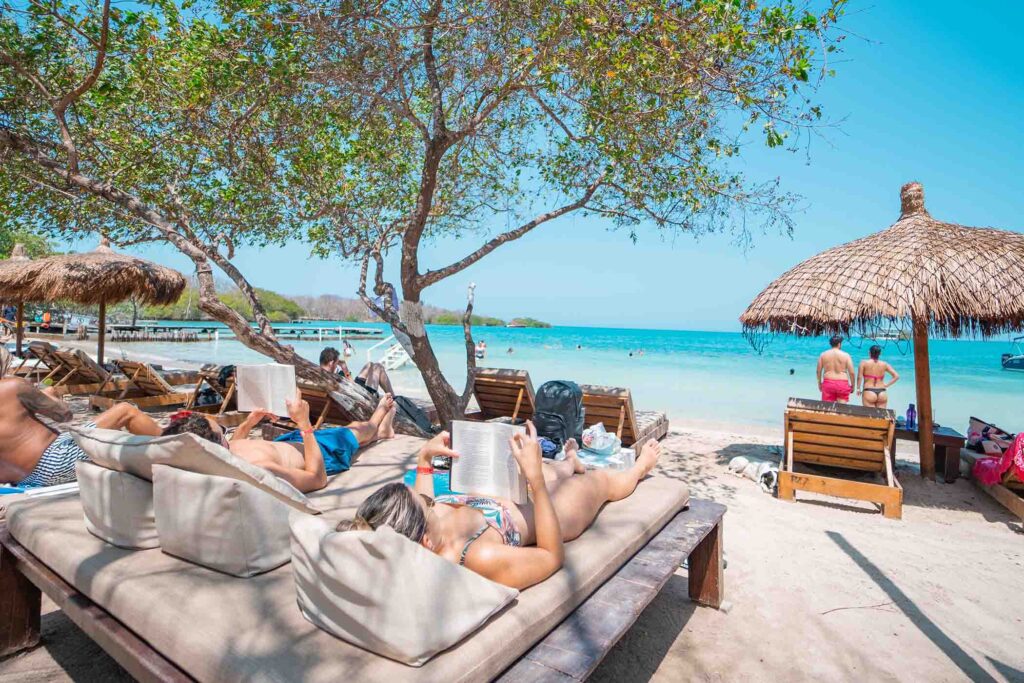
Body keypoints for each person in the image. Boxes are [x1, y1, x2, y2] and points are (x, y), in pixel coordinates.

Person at [344, 422, 663, 589]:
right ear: (425, 540)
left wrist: (425, 459)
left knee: (555, 471)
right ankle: (639, 468)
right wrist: (536, 482)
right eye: (426, 505)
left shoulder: (422, 534)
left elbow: (423, 499)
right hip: (550, 512)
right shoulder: (478, 557)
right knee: (599, 482)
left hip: (507, 497)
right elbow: (551, 557)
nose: (428, 499)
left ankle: (569, 462)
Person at [165, 391, 397, 493]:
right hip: (317, 452)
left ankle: (383, 432)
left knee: (354, 432)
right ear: (214, 445)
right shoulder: (259, 470)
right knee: (356, 429)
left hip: (289, 441)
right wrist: (305, 424)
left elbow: (235, 447)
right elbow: (317, 480)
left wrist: (248, 423)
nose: (228, 438)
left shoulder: (220, 456)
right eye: (223, 433)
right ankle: (379, 417)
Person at [0, 377, 163, 488]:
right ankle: (174, 447)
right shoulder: (12, 386)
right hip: (54, 462)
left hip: (24, 479)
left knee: (101, 434)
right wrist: (50, 395)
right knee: (125, 411)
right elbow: (64, 415)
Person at [816, 335, 855, 403]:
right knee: (842, 409)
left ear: (831, 344)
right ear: (839, 344)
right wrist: (853, 386)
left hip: (828, 383)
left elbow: (818, 371)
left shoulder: (823, 355)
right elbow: (852, 373)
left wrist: (819, 383)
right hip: (842, 383)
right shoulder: (846, 355)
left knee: (827, 409)